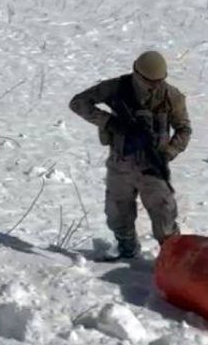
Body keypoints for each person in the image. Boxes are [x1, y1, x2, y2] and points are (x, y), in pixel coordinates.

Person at [69, 51, 192, 259]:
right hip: (121, 162)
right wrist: (109, 122)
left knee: (164, 216)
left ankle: (173, 258)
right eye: (148, 81)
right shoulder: (116, 88)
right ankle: (127, 250)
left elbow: (184, 129)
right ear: (136, 73)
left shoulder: (172, 96)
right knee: (117, 213)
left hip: (153, 166)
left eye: (159, 81)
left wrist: (168, 153)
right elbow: (79, 103)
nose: (154, 86)